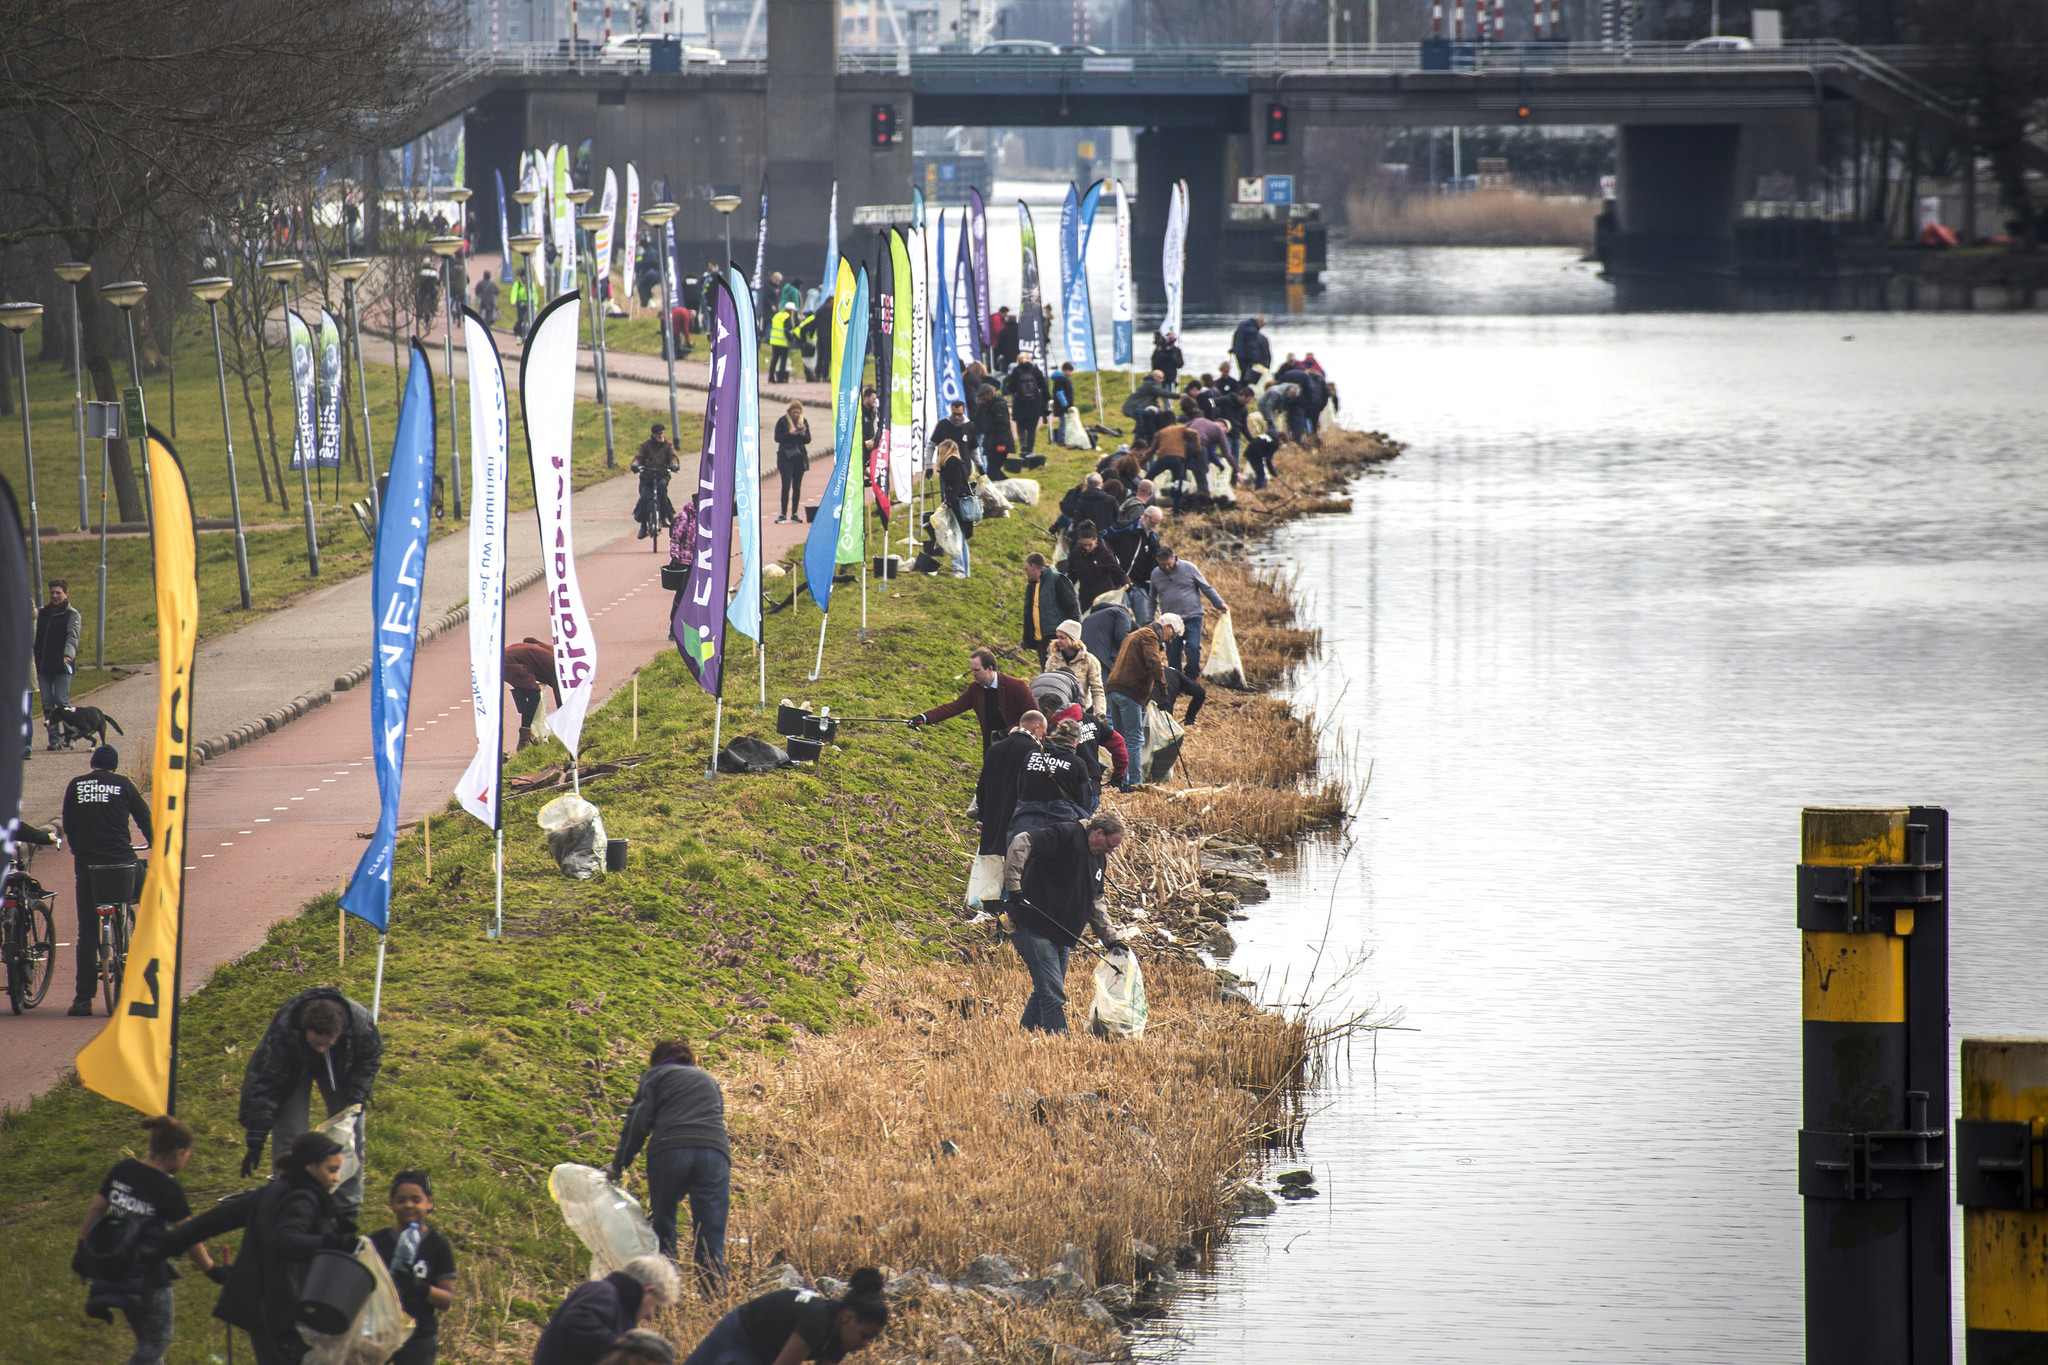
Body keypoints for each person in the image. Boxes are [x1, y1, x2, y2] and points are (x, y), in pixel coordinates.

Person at [78, 1115, 219, 1365]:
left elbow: (96, 1209)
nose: (187, 1161)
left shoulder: (123, 1170)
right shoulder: (168, 1189)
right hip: (150, 1274)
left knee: (146, 1341)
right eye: (188, 1155)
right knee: (159, 1340)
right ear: (179, 1151)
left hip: (116, 1267)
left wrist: (83, 1248)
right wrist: (210, 1268)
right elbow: (189, 1236)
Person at [238, 986, 382, 1222]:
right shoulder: (285, 1030)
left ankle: (346, 1208)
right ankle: (291, 1201)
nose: (320, 1049)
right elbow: (267, 1082)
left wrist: (356, 1100)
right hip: (294, 1067)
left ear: (339, 1033)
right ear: (305, 1030)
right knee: (290, 1135)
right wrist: (255, 1139)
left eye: (326, 1044)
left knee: (351, 1133)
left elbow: (369, 1061)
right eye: (315, 1042)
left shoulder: (359, 1023)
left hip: (340, 1066)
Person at [213, 1129, 356, 1365]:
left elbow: (208, 1222)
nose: (336, 1178)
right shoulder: (303, 1198)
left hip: (273, 1307)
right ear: (311, 1167)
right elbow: (285, 1242)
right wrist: (333, 1242)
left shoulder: (290, 1195)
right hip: (278, 1309)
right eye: (332, 1170)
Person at [607, 1039, 731, 1289]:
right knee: (711, 1229)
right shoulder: (707, 1079)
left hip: (670, 1152)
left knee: (663, 1223)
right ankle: (715, 1294)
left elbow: (638, 1122)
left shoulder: (655, 1076)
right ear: (692, 1060)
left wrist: (620, 1164)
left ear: (655, 1060)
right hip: (714, 1153)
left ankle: (666, 1290)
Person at [1002, 812, 1127, 1034]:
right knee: (1053, 992)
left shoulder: (1099, 859)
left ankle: (1025, 1034)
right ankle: (1060, 1038)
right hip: (1034, 926)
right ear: (1098, 832)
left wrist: (1112, 940)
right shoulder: (1066, 835)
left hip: (1063, 934)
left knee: (1045, 989)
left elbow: (1096, 902)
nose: (1110, 851)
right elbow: (1022, 841)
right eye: (1109, 845)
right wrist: (1014, 887)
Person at [61, 744, 150, 1016]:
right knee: (145, 889)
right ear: (114, 766)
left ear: (93, 764)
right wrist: (155, 841)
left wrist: (78, 850)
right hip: (121, 862)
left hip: (88, 866)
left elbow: (68, 823)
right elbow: (143, 816)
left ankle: (83, 1000)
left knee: (87, 931)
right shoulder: (123, 785)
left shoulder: (76, 786)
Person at [679, 1265, 888, 1365]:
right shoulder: (816, 1320)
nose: (866, 1344)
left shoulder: (839, 1338)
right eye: (864, 1335)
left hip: (764, 1353)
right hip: (738, 1335)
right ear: (848, 1318)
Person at [369, 1170, 458, 1365]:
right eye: (401, 1200)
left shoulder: (438, 1246)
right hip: (377, 1332)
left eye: (416, 1199)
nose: (409, 1205)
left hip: (418, 1337)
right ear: (392, 1203)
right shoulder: (376, 1242)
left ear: (429, 1203)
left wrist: (419, 1287)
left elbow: (446, 1300)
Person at [533, 1255, 680, 1365]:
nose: (651, 1316)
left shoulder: (621, 1310)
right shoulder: (603, 1292)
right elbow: (575, 1321)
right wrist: (624, 1347)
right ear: (649, 1290)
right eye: (656, 1307)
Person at [1105, 614, 1180, 791]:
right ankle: (1134, 783)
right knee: (1134, 739)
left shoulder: (1134, 634)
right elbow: (1154, 662)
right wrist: (1163, 691)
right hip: (1129, 692)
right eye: (1173, 635)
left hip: (1113, 689)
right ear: (1167, 627)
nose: (1170, 641)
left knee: (1120, 738)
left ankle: (1121, 779)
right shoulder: (1149, 636)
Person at [908, 647, 1035, 749]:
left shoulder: (1017, 686)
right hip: (992, 745)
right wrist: (924, 717)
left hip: (1020, 745)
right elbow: (953, 707)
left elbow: (1035, 717)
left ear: (989, 668)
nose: (973, 674)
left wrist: (1010, 731)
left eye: (976, 670)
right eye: (971, 670)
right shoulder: (975, 689)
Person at [975, 713, 1046, 874]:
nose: (1043, 737)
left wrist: (983, 816)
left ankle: (988, 898)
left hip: (992, 818)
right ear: (1036, 728)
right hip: (1015, 819)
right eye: (1043, 732)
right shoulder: (1034, 752)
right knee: (1012, 868)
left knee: (990, 870)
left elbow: (982, 787)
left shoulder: (995, 748)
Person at [1009, 718, 1100, 838]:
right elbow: (1084, 800)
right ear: (1076, 741)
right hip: (1059, 824)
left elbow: (1019, 787)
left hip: (1025, 821)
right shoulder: (1077, 763)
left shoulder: (1031, 755)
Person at [1149, 545, 1230, 674]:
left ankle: (1192, 676)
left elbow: (1206, 588)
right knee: (1173, 652)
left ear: (1174, 558)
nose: (1166, 567)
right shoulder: (1156, 574)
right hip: (1170, 621)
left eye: (1168, 564)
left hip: (1192, 616)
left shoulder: (1189, 568)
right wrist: (1150, 620)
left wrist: (1220, 604)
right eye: (1162, 565)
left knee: (1193, 647)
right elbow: (1152, 599)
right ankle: (1177, 677)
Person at [35, 578, 80, 751]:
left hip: (62, 664)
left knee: (61, 700)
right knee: (47, 702)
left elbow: (72, 637)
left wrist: (68, 655)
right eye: (52, 592)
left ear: (65, 594)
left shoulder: (71, 614)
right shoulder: (42, 613)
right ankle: (54, 739)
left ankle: (69, 735)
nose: (55, 596)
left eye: (58, 593)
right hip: (44, 664)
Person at [1106, 506, 1167, 624]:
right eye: (1153, 523)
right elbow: (1103, 537)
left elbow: (1156, 564)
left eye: (1158, 524)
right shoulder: (1126, 527)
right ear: (1145, 516)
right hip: (1120, 583)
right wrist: (1113, 557)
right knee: (1122, 619)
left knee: (1145, 621)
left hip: (1140, 587)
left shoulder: (1153, 538)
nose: (1154, 527)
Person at [1021, 553, 1079, 667]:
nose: (1026, 572)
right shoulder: (1031, 586)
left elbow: (1072, 608)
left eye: (1026, 569)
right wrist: (1027, 640)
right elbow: (1028, 614)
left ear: (1033, 566)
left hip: (1058, 638)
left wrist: (1073, 636)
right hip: (1041, 641)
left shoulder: (1057, 580)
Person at [504, 637, 561, 751]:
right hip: (508, 662)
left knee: (531, 695)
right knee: (534, 697)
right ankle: (524, 739)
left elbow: (529, 640)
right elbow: (561, 700)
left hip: (510, 654)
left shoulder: (556, 652)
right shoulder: (559, 672)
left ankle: (529, 735)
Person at [1058, 520, 1128, 610]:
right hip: (1086, 597)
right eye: (1084, 545)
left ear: (1096, 540)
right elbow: (1072, 573)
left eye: (1090, 545)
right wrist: (1065, 586)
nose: (1087, 548)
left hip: (1104, 596)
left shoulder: (1105, 554)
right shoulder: (1076, 553)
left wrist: (1126, 581)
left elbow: (1118, 572)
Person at [932, 441, 974, 578]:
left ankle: (958, 568)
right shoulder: (960, 462)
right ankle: (965, 571)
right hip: (964, 503)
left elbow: (957, 483)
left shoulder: (951, 462)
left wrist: (949, 501)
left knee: (955, 536)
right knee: (962, 539)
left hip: (957, 504)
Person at [1049, 620, 1107, 718]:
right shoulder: (1052, 660)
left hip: (1083, 711)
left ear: (1073, 639)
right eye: (1058, 637)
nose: (1058, 641)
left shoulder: (1090, 660)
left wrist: (1100, 714)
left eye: (1062, 638)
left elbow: (1097, 690)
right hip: (1058, 712)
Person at [633, 425, 679, 538]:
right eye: (658, 434)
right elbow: (639, 457)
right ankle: (644, 525)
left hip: (661, 475)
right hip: (647, 477)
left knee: (662, 489)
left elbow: (673, 456)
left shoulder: (668, 445)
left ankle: (664, 517)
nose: (661, 436)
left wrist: (674, 464)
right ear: (653, 435)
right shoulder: (645, 445)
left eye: (663, 433)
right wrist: (636, 465)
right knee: (644, 497)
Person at [773, 402, 812, 523]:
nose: (796, 415)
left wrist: (802, 433)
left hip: (799, 458)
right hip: (786, 458)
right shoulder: (782, 421)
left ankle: (794, 513)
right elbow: (777, 438)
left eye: (798, 412)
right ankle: (783, 513)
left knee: (797, 486)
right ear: (789, 412)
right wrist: (790, 433)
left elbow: (808, 440)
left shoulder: (803, 421)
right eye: (794, 412)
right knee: (785, 486)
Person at [1003, 355, 1049, 457]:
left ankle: (1023, 445)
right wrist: (1045, 401)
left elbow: (1011, 387)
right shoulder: (1036, 370)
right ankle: (1030, 450)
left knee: (1021, 427)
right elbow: (1044, 386)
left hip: (1020, 403)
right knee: (1032, 430)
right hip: (1034, 404)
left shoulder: (1016, 371)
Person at [1079, 598, 1133, 676]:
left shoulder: (1089, 617)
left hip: (1084, 656)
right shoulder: (1122, 613)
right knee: (1103, 686)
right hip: (1102, 658)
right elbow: (1121, 637)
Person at [973, 384, 1012, 478]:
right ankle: (1006, 487)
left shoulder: (999, 405)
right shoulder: (985, 405)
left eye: (982, 396)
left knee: (993, 471)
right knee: (993, 470)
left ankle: (1010, 486)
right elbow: (979, 423)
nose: (981, 399)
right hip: (990, 443)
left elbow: (1002, 426)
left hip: (999, 443)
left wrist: (1001, 444)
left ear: (988, 394)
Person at [1231, 316, 1271, 384]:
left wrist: (1234, 349)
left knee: (1242, 372)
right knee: (1247, 374)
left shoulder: (1242, 326)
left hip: (1239, 354)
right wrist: (1255, 359)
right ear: (1259, 322)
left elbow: (1235, 338)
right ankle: (1245, 388)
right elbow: (1251, 346)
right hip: (1245, 356)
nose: (1262, 327)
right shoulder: (1252, 331)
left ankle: (1241, 386)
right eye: (1263, 325)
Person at [767, 303, 796, 384]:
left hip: (774, 341)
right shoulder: (787, 317)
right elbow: (787, 330)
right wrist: (790, 340)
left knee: (774, 359)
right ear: (791, 310)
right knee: (783, 361)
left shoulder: (778, 315)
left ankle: (771, 376)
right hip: (783, 342)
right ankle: (781, 378)